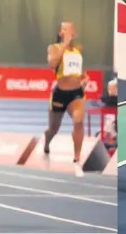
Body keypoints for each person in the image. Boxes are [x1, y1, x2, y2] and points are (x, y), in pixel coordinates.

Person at [44, 21, 88, 177]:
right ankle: (47, 140)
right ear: (61, 33)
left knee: (78, 120)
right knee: (53, 128)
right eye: (66, 29)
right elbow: (52, 63)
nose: (70, 31)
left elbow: (78, 69)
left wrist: (84, 78)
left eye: (72, 29)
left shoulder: (79, 49)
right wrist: (64, 44)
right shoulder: (54, 48)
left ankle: (77, 159)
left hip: (76, 93)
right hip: (59, 94)